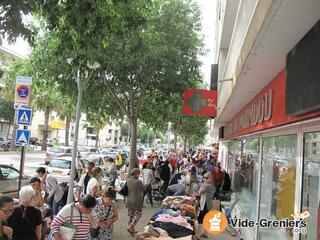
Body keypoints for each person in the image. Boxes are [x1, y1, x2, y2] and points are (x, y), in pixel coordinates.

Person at [196, 172, 214, 239]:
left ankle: (198, 235)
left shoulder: (208, 185)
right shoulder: (210, 185)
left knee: (200, 219)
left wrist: (202, 185)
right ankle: (205, 233)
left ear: (210, 178)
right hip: (207, 204)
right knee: (205, 219)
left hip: (205, 205)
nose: (205, 179)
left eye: (207, 178)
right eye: (204, 177)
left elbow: (200, 192)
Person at [126, 168, 144, 235]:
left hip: (129, 200)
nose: (139, 174)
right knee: (139, 215)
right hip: (136, 201)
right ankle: (131, 227)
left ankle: (130, 227)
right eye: (139, 173)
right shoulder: (139, 181)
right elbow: (143, 188)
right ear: (136, 174)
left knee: (131, 215)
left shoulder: (128, 180)